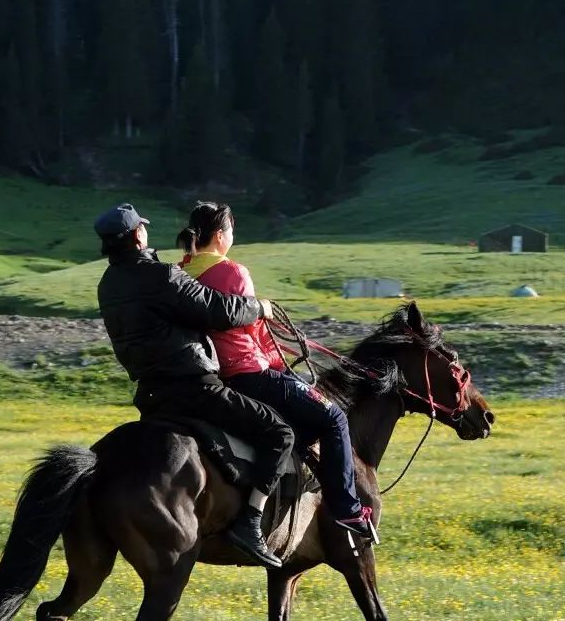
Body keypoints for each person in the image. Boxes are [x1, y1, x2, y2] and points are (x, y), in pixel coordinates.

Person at [95, 202, 295, 569]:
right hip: (195, 388)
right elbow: (218, 309)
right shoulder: (160, 276)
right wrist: (259, 307)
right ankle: (250, 524)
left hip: (152, 397)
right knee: (278, 431)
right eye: (143, 228)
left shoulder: (108, 285)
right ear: (139, 235)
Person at [177, 202, 375, 541]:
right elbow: (251, 332)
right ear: (221, 235)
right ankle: (348, 510)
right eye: (232, 231)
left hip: (210, 377)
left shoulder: (182, 274)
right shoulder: (233, 273)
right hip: (248, 372)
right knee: (334, 419)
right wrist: (285, 366)